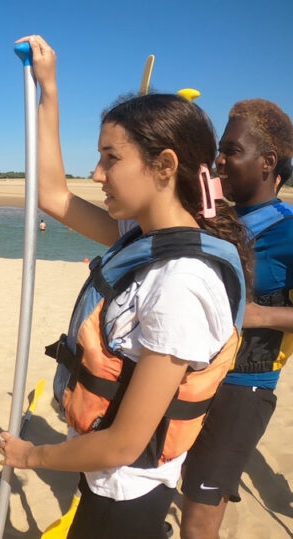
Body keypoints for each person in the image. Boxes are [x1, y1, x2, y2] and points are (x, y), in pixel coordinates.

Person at [0, 35, 253, 537]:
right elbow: (52, 195)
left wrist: (32, 455)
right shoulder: (142, 237)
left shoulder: (181, 284)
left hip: (126, 496)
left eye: (110, 158)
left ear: (164, 166)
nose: (96, 173)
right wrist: (49, 89)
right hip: (104, 481)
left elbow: (124, 444)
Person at [179, 99, 293, 539]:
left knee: (199, 516)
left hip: (243, 387)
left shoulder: (286, 230)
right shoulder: (215, 218)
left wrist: (259, 313)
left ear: (267, 163)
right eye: (217, 151)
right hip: (190, 374)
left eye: (231, 150)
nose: (219, 161)